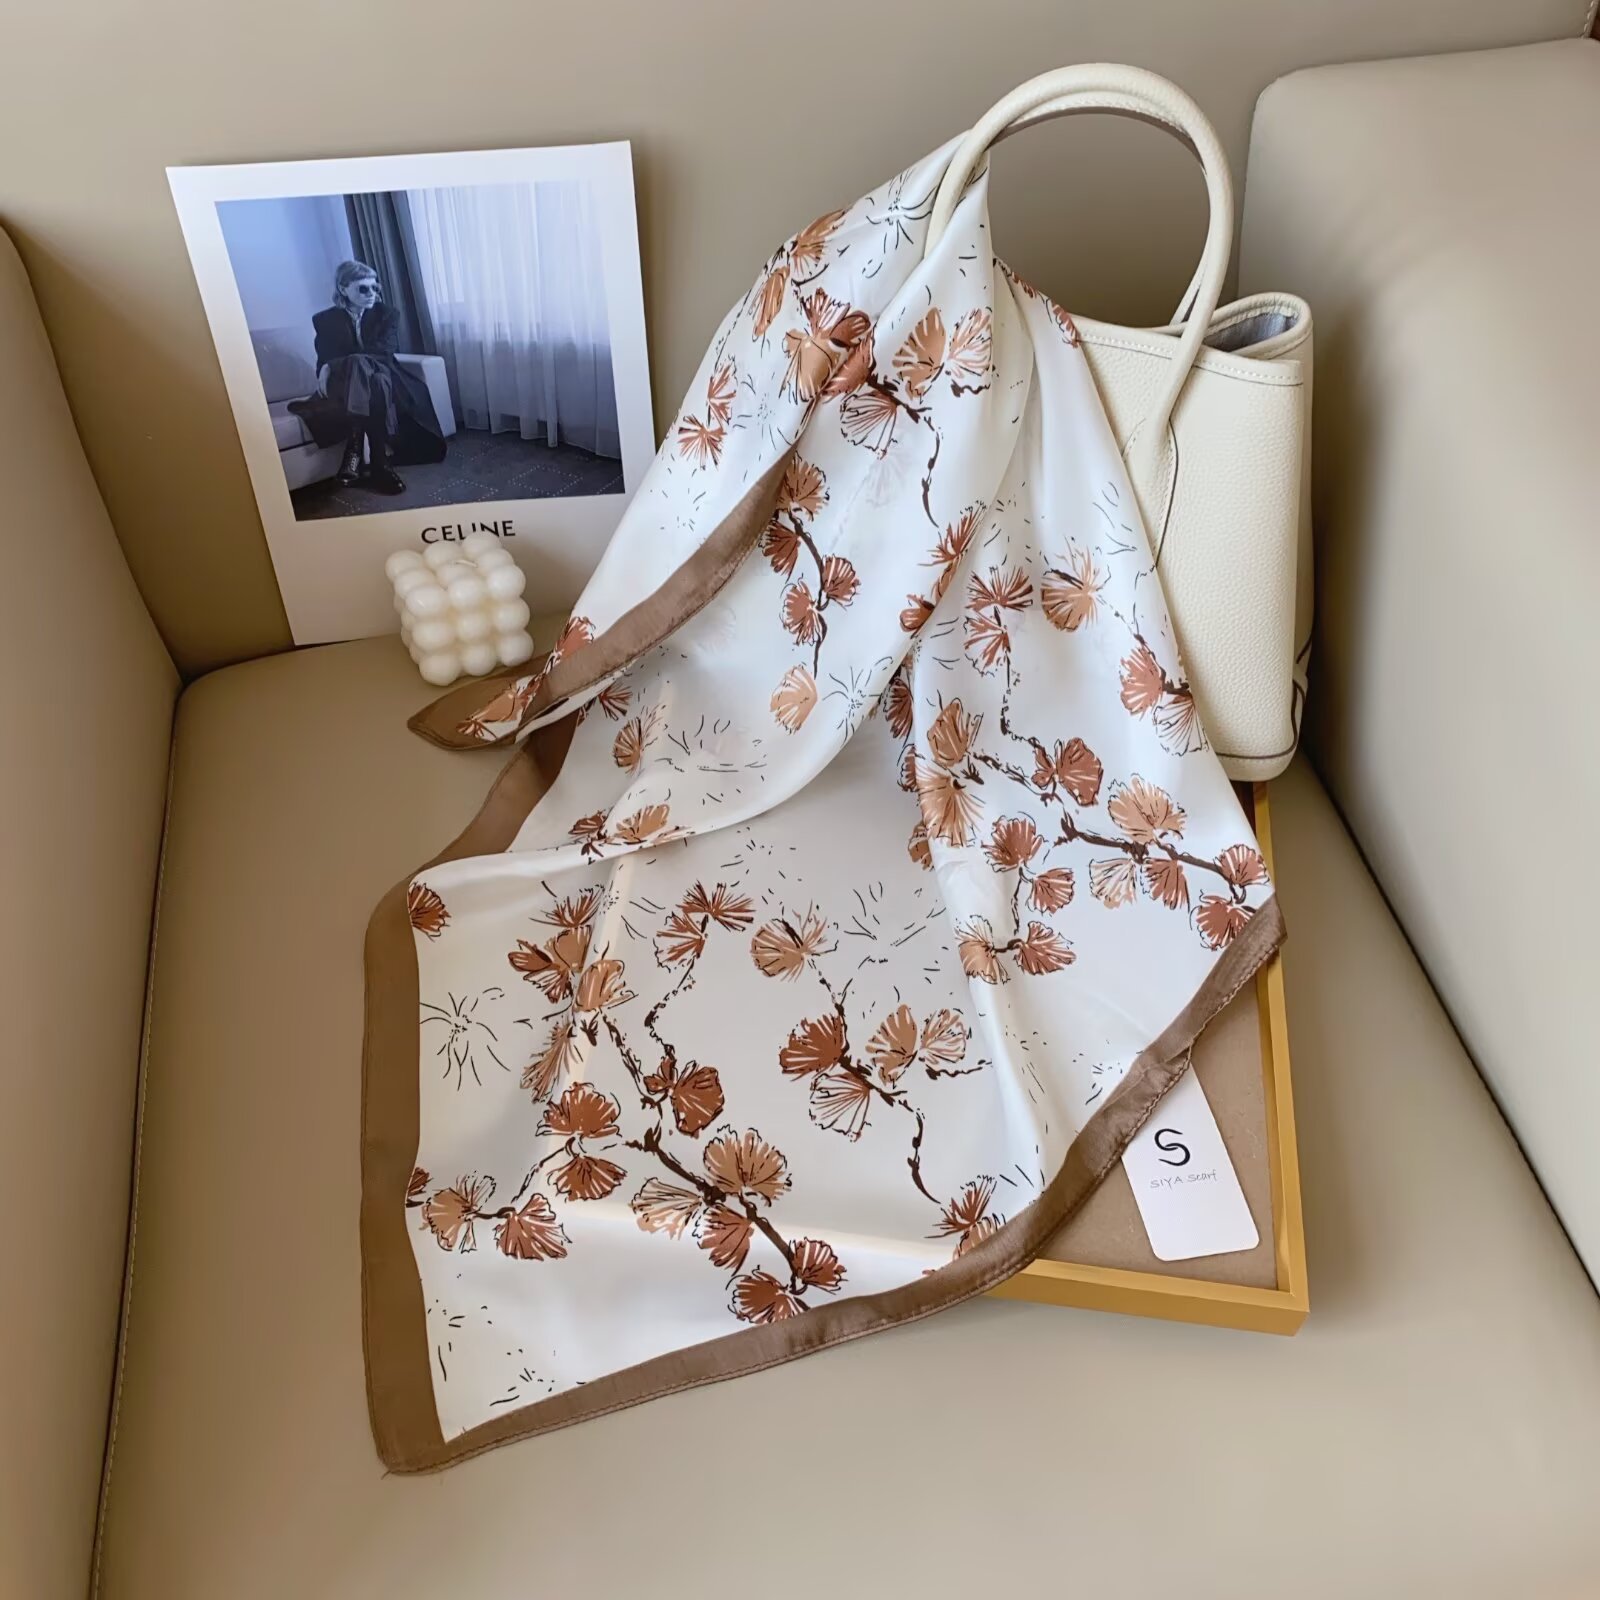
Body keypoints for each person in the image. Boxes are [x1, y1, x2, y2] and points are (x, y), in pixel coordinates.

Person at [288, 259, 446, 495]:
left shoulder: (387, 314)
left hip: (384, 373)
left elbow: (383, 352)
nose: (371, 293)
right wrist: (328, 367)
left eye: (375, 287)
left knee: (371, 374)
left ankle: (355, 447)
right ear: (343, 289)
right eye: (363, 288)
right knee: (372, 380)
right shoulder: (324, 320)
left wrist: (334, 364)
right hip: (344, 383)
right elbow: (326, 356)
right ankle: (381, 466)